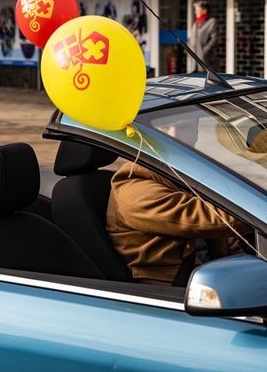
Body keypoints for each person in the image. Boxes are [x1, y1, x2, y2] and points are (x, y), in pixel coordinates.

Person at [106, 116, 250, 285]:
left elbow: (229, 243)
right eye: (163, 127)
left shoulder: (188, 173)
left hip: (210, 280)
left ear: (195, 133)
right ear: (143, 135)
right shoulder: (132, 188)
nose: (173, 135)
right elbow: (210, 219)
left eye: (184, 128)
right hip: (168, 294)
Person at [187, 0, 219, 73]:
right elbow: (191, 38)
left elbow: (215, 39)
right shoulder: (195, 23)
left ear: (204, 10)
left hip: (206, 61)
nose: (195, 12)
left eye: (197, 10)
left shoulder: (211, 22)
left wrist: (204, 51)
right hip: (193, 62)